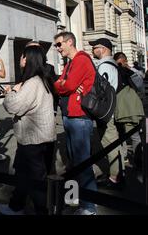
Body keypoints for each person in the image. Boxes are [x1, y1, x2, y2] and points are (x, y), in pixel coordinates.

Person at [0, 45, 56, 215]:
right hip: (39, 138)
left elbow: (14, 106)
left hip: (34, 140)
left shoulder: (33, 83)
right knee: (23, 174)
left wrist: (10, 93)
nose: (20, 59)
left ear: (28, 59)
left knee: (36, 181)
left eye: (22, 56)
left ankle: (42, 211)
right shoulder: (42, 79)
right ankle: (16, 206)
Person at [53, 32, 97, 215]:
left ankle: (89, 207)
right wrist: (63, 83)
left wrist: (62, 84)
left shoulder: (81, 60)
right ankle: (76, 198)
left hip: (79, 117)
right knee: (73, 161)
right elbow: (61, 83)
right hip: (70, 116)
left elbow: (68, 86)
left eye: (59, 44)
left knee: (82, 163)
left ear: (70, 42)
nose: (57, 48)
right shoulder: (70, 62)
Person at [87, 38, 123, 189]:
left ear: (103, 49)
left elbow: (101, 91)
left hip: (106, 111)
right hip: (110, 109)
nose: (93, 50)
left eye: (95, 48)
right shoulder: (110, 65)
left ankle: (115, 177)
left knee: (111, 143)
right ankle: (117, 174)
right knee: (110, 142)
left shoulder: (105, 67)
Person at [25, 41, 59, 116]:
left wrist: (54, 109)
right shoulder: (25, 69)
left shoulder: (49, 68)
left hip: (46, 110)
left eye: (38, 49)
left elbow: (55, 89)